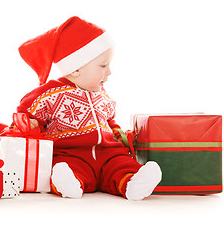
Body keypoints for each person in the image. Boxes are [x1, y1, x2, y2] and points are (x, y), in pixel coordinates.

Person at [17, 16, 162, 200]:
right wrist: (29, 124)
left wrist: (119, 135)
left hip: (107, 152)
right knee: (66, 166)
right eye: (103, 65)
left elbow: (109, 120)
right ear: (75, 69)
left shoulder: (102, 94)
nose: (109, 72)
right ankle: (68, 182)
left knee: (121, 163)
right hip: (72, 153)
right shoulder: (50, 94)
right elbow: (26, 112)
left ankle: (133, 182)